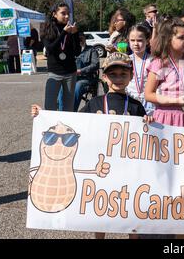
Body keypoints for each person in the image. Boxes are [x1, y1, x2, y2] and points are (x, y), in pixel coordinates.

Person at [32, 52, 153, 239]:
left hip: (128, 167)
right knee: (100, 207)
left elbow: (146, 133)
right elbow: (71, 122)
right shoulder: (95, 103)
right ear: (104, 77)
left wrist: (148, 121)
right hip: (102, 165)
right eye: (113, 74)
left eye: (123, 74)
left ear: (131, 77)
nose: (118, 78)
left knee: (129, 207)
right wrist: (43, 115)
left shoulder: (136, 106)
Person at [144, 17, 184, 128]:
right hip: (166, 118)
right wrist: (175, 101)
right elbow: (148, 95)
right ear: (168, 39)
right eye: (181, 38)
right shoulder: (159, 63)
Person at [42, 2, 81, 112]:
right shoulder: (46, 28)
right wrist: (64, 33)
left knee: (68, 107)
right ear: (54, 14)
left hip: (70, 72)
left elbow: (77, 52)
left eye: (68, 13)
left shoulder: (71, 29)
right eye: (63, 13)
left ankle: (66, 128)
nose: (67, 16)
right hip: (54, 72)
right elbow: (50, 49)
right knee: (50, 106)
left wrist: (75, 34)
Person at [58, 32, 100, 112]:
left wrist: (81, 71)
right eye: (78, 38)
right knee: (61, 88)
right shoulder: (71, 51)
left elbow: (95, 65)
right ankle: (62, 112)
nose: (80, 40)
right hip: (72, 77)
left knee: (77, 86)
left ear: (85, 38)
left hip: (87, 78)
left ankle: (72, 112)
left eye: (81, 38)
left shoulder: (92, 50)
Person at [125, 24, 155, 116]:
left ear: (147, 41)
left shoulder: (153, 61)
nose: (136, 44)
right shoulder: (125, 60)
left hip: (149, 104)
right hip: (130, 102)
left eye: (140, 40)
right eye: (132, 40)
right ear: (128, 41)